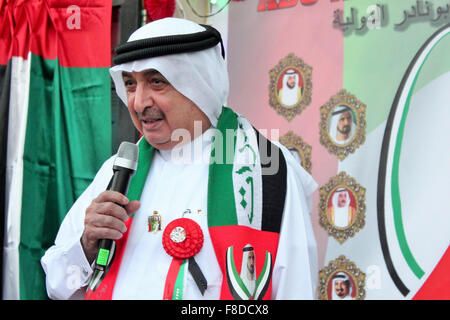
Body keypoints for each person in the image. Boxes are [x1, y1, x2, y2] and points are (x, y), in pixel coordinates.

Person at [41, 18, 318, 300]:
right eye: (130, 84)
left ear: (200, 83)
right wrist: (87, 245)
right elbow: (57, 285)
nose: (138, 103)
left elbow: (296, 286)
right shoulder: (118, 171)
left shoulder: (264, 167)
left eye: (156, 82)